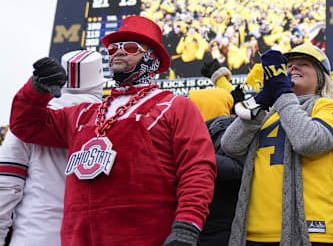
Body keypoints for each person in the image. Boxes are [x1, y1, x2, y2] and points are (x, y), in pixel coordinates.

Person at [10, 15, 216, 246]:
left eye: (129, 47)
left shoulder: (175, 106)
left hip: (146, 237)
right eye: (113, 48)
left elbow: (197, 169)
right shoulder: (84, 113)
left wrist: (187, 226)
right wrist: (36, 89)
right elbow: (26, 126)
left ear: (152, 58)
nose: (117, 52)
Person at [221, 43, 333, 246]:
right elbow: (230, 145)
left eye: (303, 64)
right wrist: (261, 100)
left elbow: (308, 141)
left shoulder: (329, 106)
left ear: (320, 78)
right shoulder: (268, 113)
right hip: (254, 232)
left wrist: (281, 92)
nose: (293, 68)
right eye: (288, 65)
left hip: (310, 232)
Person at [0, 50, 104, 246]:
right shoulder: (119, 118)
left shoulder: (27, 118)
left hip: (35, 236)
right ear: (100, 82)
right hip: (94, 236)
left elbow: (5, 186)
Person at [189, 88, 243, 246]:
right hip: (202, 225)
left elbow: (238, 170)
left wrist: (196, 157)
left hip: (221, 226)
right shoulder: (194, 134)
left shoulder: (231, 132)